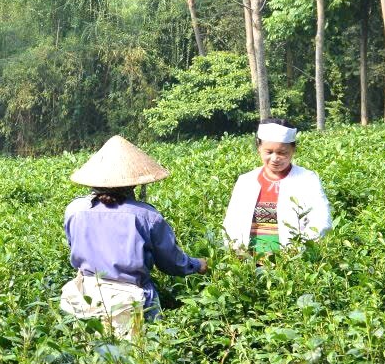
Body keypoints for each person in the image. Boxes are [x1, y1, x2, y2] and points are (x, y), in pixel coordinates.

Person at [60, 135, 206, 339]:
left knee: (89, 351)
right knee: (143, 351)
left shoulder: (74, 210)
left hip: (86, 297)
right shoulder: (147, 216)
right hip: (130, 299)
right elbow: (170, 263)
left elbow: (73, 244)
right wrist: (196, 265)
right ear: (133, 184)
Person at [222, 117, 331, 253]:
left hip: (292, 258)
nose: (275, 158)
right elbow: (231, 222)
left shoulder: (306, 179)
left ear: (293, 149)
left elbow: (322, 220)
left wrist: (298, 250)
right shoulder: (246, 181)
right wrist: (236, 250)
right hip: (248, 259)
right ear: (259, 148)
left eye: (282, 153)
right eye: (269, 152)